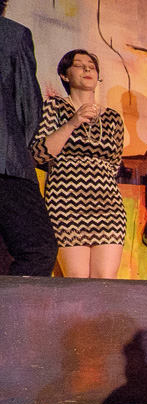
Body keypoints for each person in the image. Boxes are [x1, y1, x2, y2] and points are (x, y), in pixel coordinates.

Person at [30, 49, 126, 278]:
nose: (87, 68)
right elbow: (38, 154)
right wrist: (73, 122)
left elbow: (114, 164)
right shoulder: (53, 107)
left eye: (91, 65)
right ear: (64, 75)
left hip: (108, 205)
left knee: (106, 281)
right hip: (66, 203)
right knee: (77, 280)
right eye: (79, 65)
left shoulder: (113, 118)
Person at [0, 0, 58, 276]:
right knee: (38, 249)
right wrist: (19, 148)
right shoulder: (12, 34)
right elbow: (28, 107)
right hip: (6, 163)